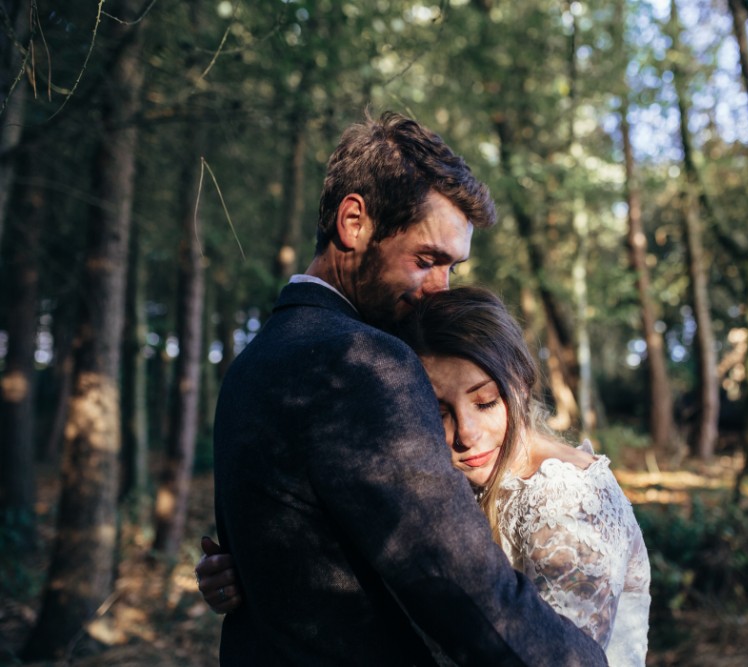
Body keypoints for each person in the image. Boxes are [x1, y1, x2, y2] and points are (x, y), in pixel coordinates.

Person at [208, 110, 607, 665]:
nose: (439, 289)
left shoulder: (252, 364)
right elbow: (456, 582)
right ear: (354, 222)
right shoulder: (360, 362)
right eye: (426, 260)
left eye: (452, 267)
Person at [200, 287, 651, 666]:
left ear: (523, 383)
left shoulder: (567, 501)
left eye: (486, 401)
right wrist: (260, 570)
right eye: (437, 414)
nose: (467, 436)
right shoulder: (437, 488)